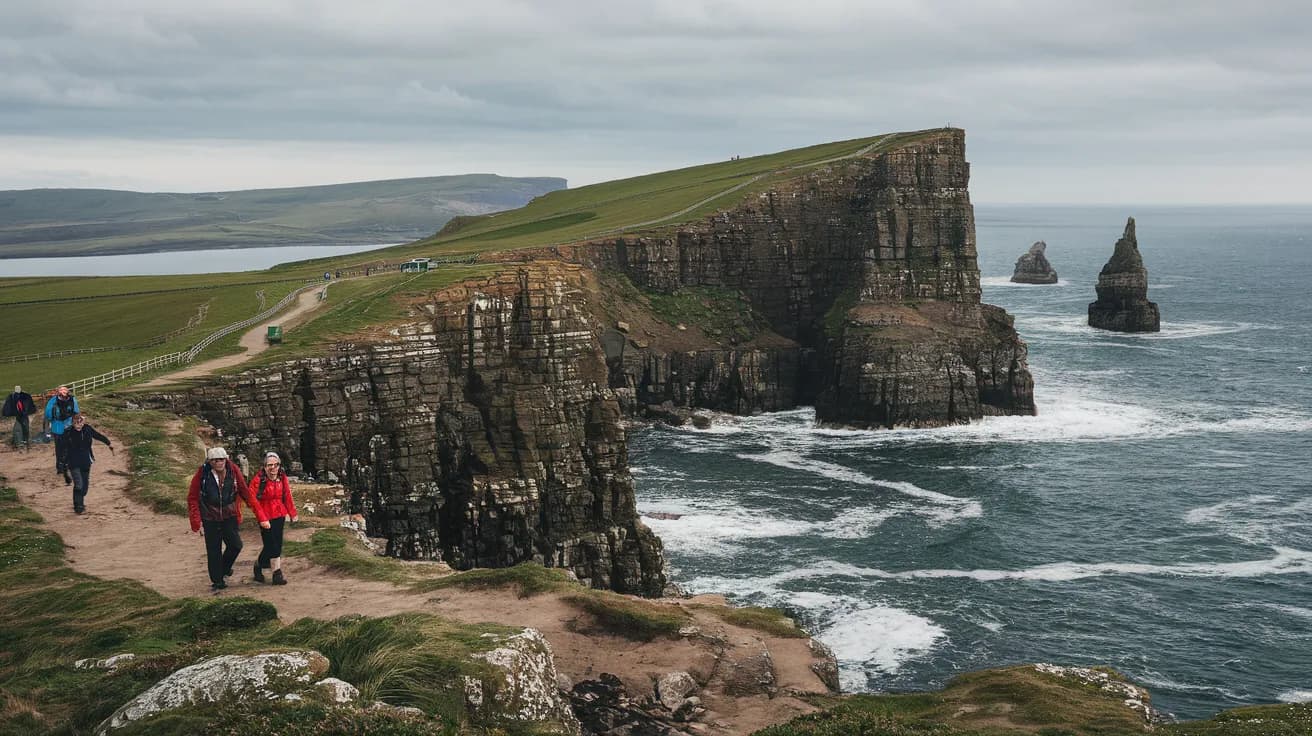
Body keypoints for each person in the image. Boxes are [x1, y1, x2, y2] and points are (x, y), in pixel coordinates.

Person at [187, 446, 269, 591]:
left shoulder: (233, 471)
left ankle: (224, 569)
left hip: (229, 515)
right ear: (209, 461)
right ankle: (217, 581)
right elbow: (193, 498)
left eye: (221, 459)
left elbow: (245, 493)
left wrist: (260, 515)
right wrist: (196, 522)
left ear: (226, 459)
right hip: (210, 517)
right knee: (214, 550)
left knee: (236, 545)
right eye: (215, 460)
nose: (219, 463)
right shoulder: (202, 474)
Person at [249, 451, 298, 585]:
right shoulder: (258, 480)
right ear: (264, 466)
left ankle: (260, 565)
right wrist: (262, 518)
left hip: (279, 514)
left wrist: (292, 513)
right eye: (270, 465)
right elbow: (252, 501)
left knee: (276, 544)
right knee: (272, 545)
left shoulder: (282, 477)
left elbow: (287, 495)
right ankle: (276, 573)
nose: (273, 468)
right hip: (265, 516)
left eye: (276, 464)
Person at [62, 413, 113, 514]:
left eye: (81, 423)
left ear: (83, 422)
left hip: (86, 461)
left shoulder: (88, 429)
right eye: (76, 423)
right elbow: (63, 449)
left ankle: (80, 500)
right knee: (79, 484)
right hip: (73, 461)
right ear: (73, 423)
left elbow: (97, 435)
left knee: (85, 487)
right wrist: (63, 465)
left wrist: (108, 443)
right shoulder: (68, 433)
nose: (79, 425)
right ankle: (78, 506)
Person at [44, 386, 79, 481]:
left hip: (67, 426)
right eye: (62, 391)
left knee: (67, 447)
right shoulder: (53, 401)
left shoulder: (71, 400)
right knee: (61, 448)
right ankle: (61, 467)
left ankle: (65, 466)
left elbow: (76, 413)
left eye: (65, 391)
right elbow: (48, 415)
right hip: (58, 427)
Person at [2, 385, 37, 450]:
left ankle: (25, 441)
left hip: (24, 414)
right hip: (18, 415)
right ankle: (19, 443)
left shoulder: (25, 396)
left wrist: (27, 412)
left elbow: (29, 405)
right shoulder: (12, 397)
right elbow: (8, 406)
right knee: (18, 428)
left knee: (25, 427)